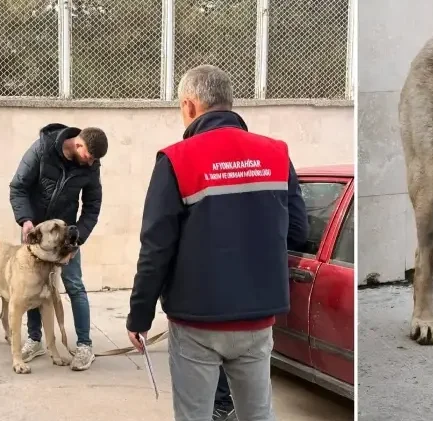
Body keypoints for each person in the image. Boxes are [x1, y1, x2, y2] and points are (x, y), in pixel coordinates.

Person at [126, 64, 308, 421]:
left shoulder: (176, 159)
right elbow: (298, 232)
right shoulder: (276, 154)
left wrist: (140, 315)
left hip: (197, 321)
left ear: (190, 105)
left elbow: (156, 248)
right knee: (258, 414)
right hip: (258, 317)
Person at [9, 124, 108, 371]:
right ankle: (34, 340)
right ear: (78, 144)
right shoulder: (42, 149)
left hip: (65, 238)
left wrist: (77, 239)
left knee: (75, 285)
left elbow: (92, 207)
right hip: (36, 235)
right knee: (30, 287)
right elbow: (18, 186)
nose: (91, 162)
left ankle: (84, 345)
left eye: (95, 160)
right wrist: (25, 220)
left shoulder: (91, 166)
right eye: (89, 156)